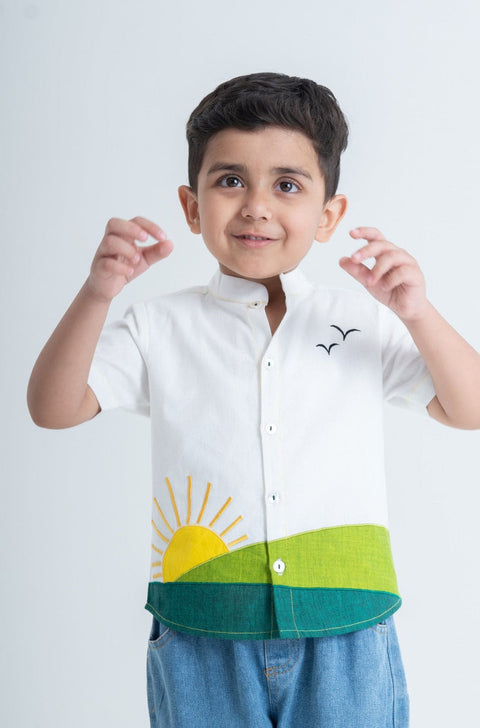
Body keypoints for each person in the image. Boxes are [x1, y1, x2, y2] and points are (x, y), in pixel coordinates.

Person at [27, 72, 480, 728]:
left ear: (328, 215)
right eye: (231, 180)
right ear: (192, 207)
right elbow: (53, 407)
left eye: (287, 185)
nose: (256, 207)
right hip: (202, 628)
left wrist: (418, 312)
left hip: (348, 623)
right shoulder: (160, 325)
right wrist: (98, 294)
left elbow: (469, 408)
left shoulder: (361, 320)